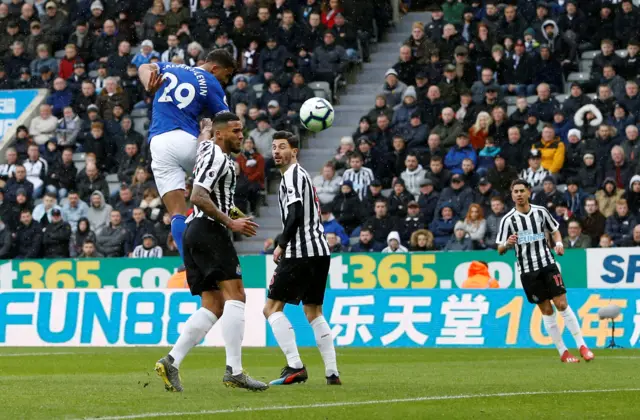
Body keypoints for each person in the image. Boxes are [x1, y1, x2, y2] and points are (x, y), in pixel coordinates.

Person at [155, 114, 266, 392]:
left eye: (242, 131)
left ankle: (171, 361)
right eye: (236, 131)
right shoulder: (217, 157)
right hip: (210, 230)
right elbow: (198, 196)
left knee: (213, 304)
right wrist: (230, 222)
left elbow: (204, 139)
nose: (242, 136)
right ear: (221, 135)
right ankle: (235, 371)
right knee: (237, 295)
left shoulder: (207, 148)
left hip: (195, 232)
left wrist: (205, 127)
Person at [138, 49, 236, 261]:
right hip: (186, 140)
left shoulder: (169, 66)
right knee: (224, 178)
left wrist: (148, 83)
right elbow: (228, 122)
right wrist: (210, 131)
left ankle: (190, 264)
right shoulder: (211, 82)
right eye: (226, 75)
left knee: (177, 213)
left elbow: (144, 67)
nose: (225, 81)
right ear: (215, 68)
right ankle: (225, 231)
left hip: (158, 142)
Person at [264, 130, 340, 386]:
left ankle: (295, 366)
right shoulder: (301, 175)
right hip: (319, 251)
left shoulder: (293, 175)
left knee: (271, 308)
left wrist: (281, 244)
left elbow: (295, 213)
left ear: (294, 151)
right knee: (314, 311)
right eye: (274, 147)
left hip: (301, 251)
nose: (276, 151)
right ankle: (332, 372)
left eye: (282, 146)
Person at [497, 179, 594, 363]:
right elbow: (499, 249)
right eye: (515, 191)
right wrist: (507, 245)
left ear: (528, 192)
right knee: (547, 310)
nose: (518, 194)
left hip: (547, 264)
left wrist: (558, 243)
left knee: (562, 304)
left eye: (521, 191)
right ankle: (563, 352)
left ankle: (582, 345)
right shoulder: (508, 220)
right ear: (512, 195)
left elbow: (555, 230)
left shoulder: (540, 212)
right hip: (528, 271)